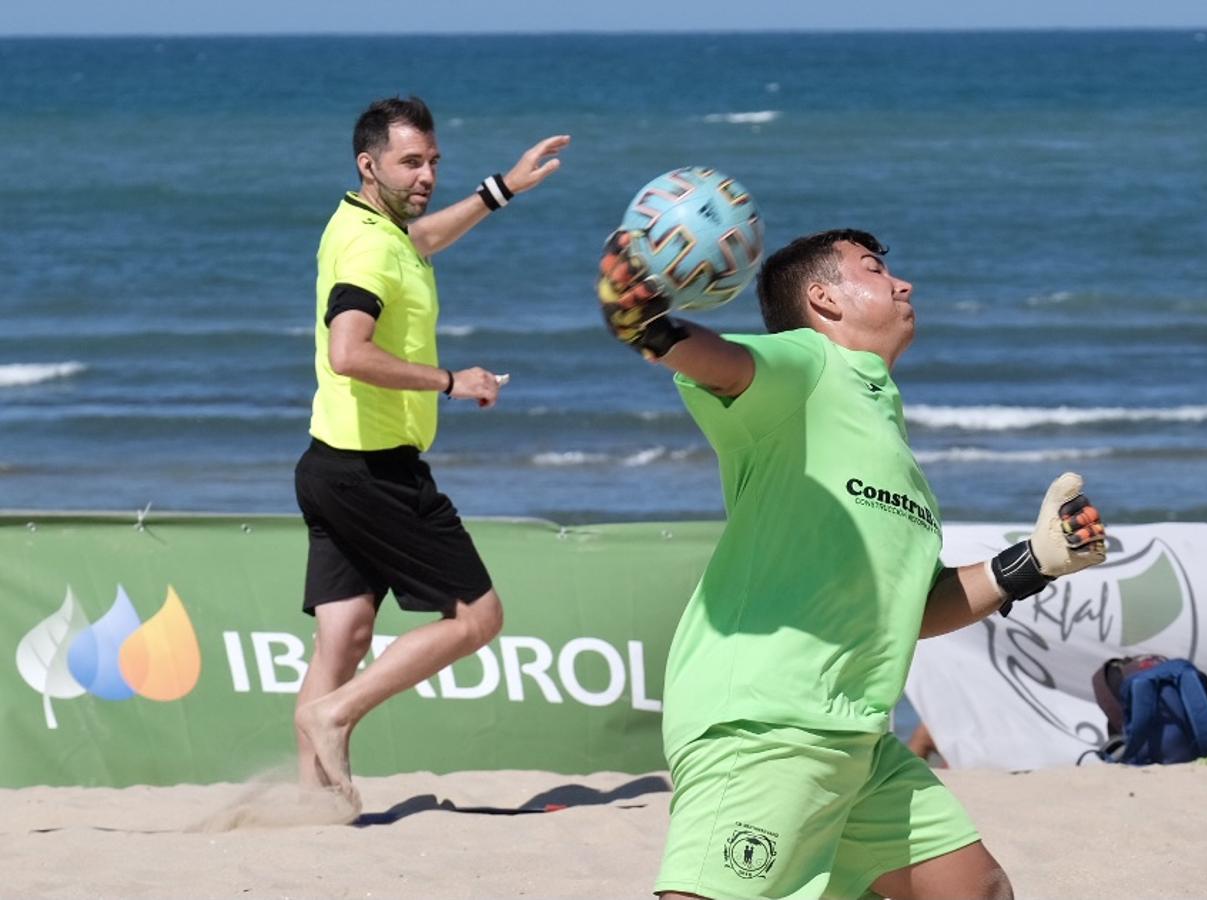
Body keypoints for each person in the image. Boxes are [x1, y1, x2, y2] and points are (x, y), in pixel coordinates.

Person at [597, 228, 1109, 899]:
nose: (903, 284)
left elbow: (912, 610)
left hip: (855, 734)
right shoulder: (806, 364)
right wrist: (653, 329)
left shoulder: (881, 426)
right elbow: (721, 362)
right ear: (823, 300)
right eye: (873, 270)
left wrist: (1035, 561)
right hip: (771, 719)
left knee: (974, 889)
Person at [292, 96, 568, 807]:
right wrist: (452, 380)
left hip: (329, 464)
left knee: (344, 636)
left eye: (433, 162)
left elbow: (420, 241)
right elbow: (348, 352)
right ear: (368, 163)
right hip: (375, 473)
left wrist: (501, 188)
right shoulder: (366, 244)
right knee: (478, 617)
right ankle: (334, 714)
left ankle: (311, 803)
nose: (426, 176)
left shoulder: (368, 223)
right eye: (410, 162)